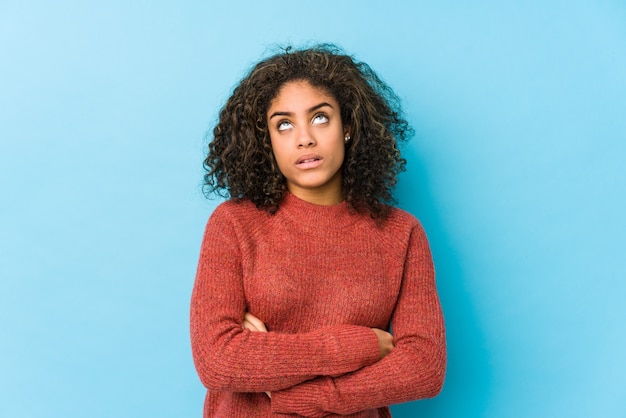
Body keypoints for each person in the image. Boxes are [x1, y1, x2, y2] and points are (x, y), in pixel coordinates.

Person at [190, 44, 446, 417]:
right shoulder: (234, 224)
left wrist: (288, 382)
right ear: (268, 141)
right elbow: (217, 360)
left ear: (348, 127)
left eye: (321, 118)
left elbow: (424, 367)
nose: (304, 138)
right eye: (284, 124)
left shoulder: (401, 233)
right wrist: (362, 345)